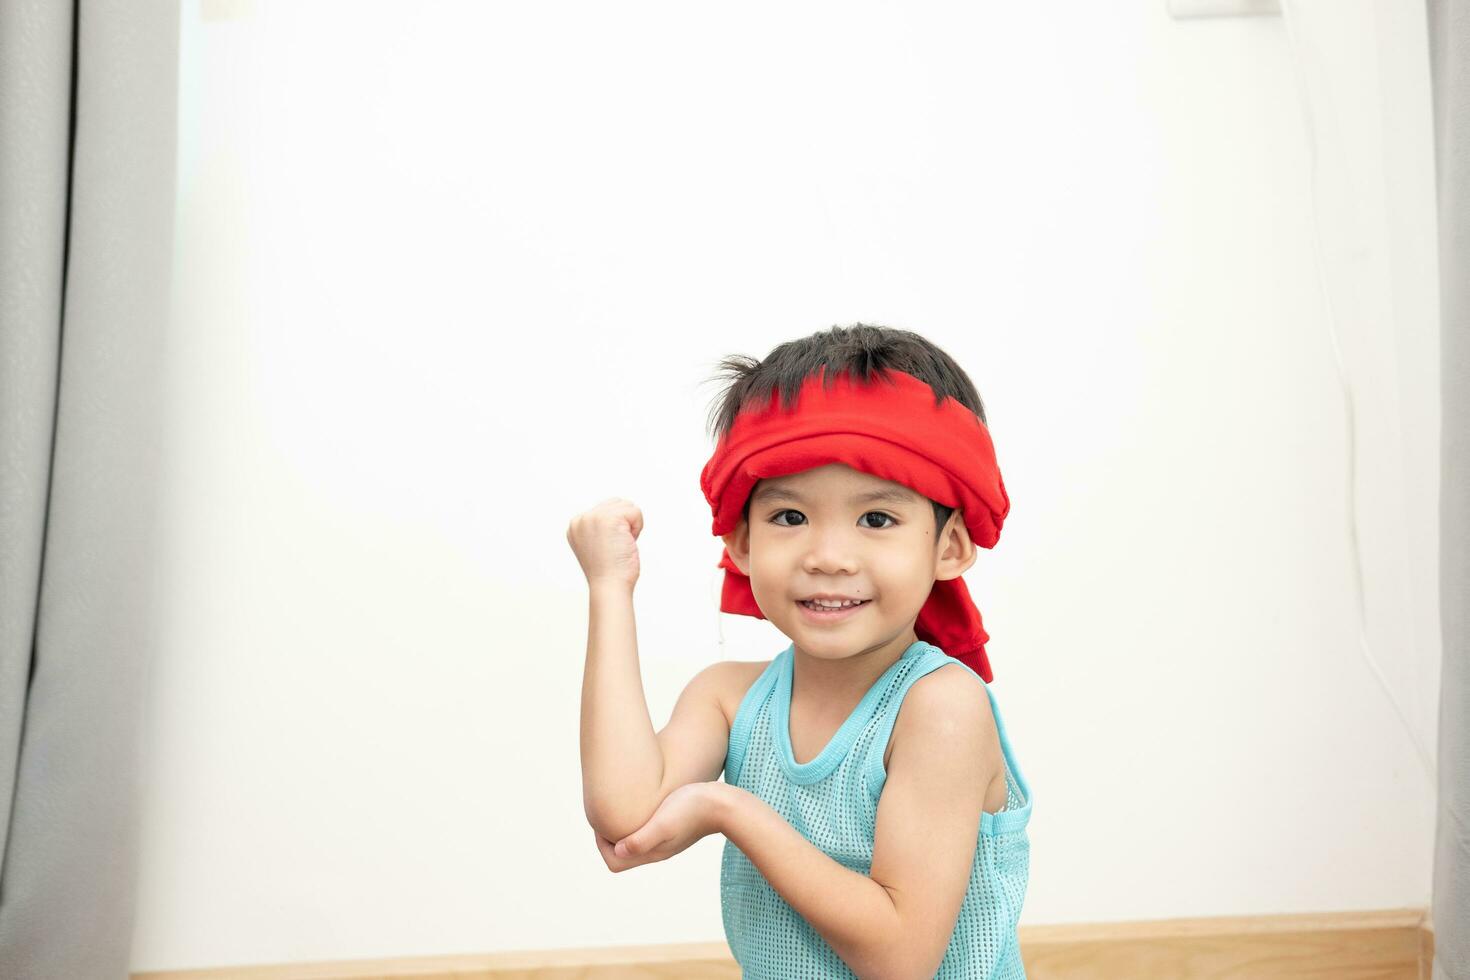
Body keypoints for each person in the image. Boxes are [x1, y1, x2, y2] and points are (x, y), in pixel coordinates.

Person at [570, 323, 1033, 979]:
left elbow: (899, 957)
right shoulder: (729, 697)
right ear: (740, 542)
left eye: (876, 519)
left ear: (950, 546)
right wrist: (610, 590)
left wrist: (728, 808)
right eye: (790, 517)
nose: (828, 557)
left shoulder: (941, 708)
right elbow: (625, 813)